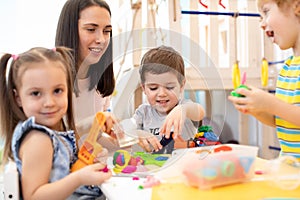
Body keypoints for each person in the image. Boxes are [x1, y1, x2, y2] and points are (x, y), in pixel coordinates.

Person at [0, 47, 111, 199]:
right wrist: (79, 178)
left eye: (57, 90)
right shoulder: (38, 140)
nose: (49, 102)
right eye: (36, 93)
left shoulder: (50, 130)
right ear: (18, 97)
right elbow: (34, 196)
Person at [228, 0, 300, 160]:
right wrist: (257, 109)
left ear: (297, 7)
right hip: (291, 169)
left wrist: (270, 103)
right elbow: (284, 119)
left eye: (266, 12)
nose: (261, 23)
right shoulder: (288, 67)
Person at [55, 0, 118, 150]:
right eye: (91, 29)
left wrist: (130, 144)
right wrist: (91, 123)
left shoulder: (99, 84)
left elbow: (94, 138)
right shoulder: (51, 80)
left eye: (106, 31)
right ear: (70, 30)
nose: (101, 40)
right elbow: (52, 142)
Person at [133, 45, 206, 153]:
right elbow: (126, 131)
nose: (162, 94)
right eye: (153, 88)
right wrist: (137, 134)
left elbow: (200, 112)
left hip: (184, 166)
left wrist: (183, 110)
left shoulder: (184, 106)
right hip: (154, 167)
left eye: (169, 87)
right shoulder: (143, 113)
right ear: (144, 88)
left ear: (181, 85)